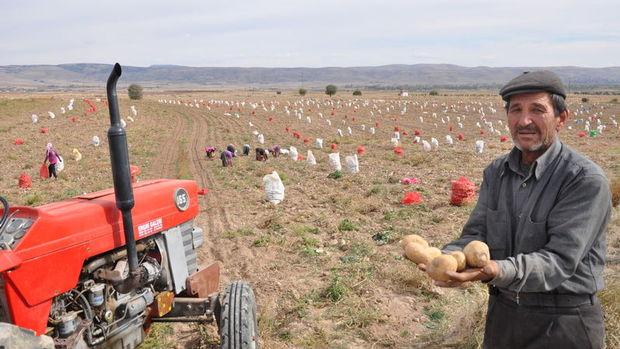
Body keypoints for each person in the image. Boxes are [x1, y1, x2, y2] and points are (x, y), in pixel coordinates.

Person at [429, 71, 611, 348]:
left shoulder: (583, 180)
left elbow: (559, 261)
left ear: (561, 118)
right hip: (504, 316)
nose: (524, 121)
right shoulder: (496, 172)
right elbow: (477, 233)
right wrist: (446, 257)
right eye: (516, 110)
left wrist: (494, 270)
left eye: (537, 110)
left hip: (564, 322)